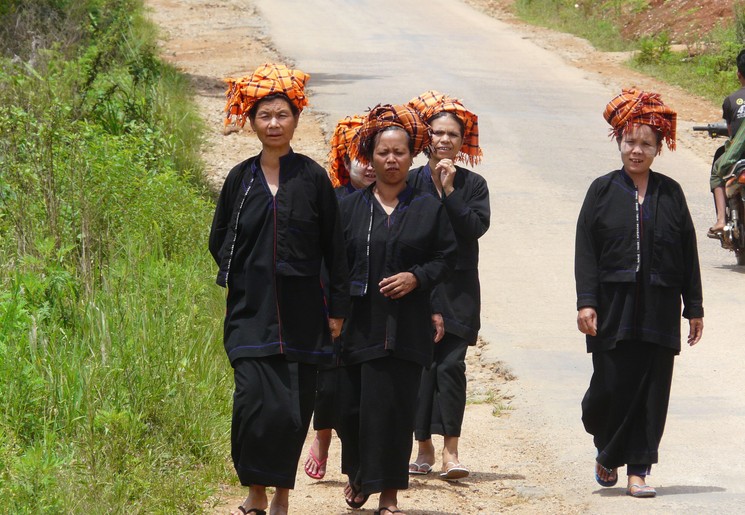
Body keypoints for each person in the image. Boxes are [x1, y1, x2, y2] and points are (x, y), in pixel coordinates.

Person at [209, 63, 350, 515]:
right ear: (252, 122)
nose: (273, 123)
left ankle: (282, 496)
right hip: (250, 315)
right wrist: (249, 277)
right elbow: (220, 241)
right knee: (252, 403)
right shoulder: (240, 179)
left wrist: (338, 309)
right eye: (264, 116)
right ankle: (254, 490)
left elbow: (335, 248)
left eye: (282, 115)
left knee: (292, 409)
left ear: (296, 120)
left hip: (305, 316)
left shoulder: (312, 179)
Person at [575, 89, 704, 499]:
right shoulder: (601, 190)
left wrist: (694, 306)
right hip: (612, 305)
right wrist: (586, 301)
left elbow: (688, 251)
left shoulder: (671, 192)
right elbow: (585, 250)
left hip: (660, 305)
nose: (637, 150)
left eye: (646, 143)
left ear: (659, 148)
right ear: (618, 142)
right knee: (608, 387)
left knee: (651, 388)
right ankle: (605, 446)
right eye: (630, 142)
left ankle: (639, 470)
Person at [335, 104, 457, 515]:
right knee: (350, 409)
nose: (391, 160)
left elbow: (446, 258)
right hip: (356, 327)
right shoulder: (348, 209)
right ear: (370, 157)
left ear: (412, 156)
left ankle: (388, 495)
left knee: (394, 412)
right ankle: (357, 475)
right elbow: (331, 264)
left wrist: (417, 278)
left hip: (405, 330)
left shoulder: (427, 208)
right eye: (383, 153)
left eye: (400, 152)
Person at [405, 91, 490, 480]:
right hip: (417, 286)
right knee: (421, 367)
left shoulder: (473, 185)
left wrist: (451, 191)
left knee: (451, 367)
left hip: (458, 291)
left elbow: (475, 227)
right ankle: (422, 446)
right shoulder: (407, 181)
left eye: (452, 135)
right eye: (437, 133)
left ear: (462, 141)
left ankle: (450, 452)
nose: (444, 140)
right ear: (425, 138)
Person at [303, 115, 376, 481]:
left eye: (372, 153)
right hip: (333, 302)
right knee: (327, 381)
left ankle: (358, 460)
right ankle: (322, 440)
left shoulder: (394, 203)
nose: (368, 164)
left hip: (373, 308)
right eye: (358, 155)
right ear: (344, 161)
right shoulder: (332, 201)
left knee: (361, 386)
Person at [709, 48, 745, 238]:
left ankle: (721, 219)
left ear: (739, 74)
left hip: (739, 155)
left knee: (717, 168)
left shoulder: (731, 100)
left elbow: (732, 134)